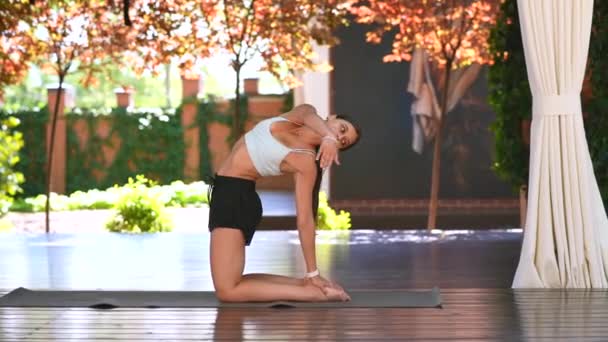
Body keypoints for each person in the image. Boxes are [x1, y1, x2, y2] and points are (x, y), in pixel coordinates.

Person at [208, 103, 361, 303]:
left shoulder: (306, 162)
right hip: (227, 193)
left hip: (235, 199)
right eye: (342, 129)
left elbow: (305, 219)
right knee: (233, 282)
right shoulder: (303, 114)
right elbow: (309, 116)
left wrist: (313, 272)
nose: (339, 137)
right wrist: (330, 137)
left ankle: (312, 293)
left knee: (227, 291)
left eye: (343, 141)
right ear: (331, 117)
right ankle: (305, 286)